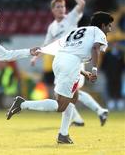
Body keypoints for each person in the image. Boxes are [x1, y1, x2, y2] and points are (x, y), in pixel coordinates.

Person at [7, 11, 114, 144]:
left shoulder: (78, 31)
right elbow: (95, 48)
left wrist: (83, 72)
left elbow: (72, 52)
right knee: (61, 105)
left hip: (59, 60)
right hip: (70, 63)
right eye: (109, 26)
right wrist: (94, 70)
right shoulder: (98, 32)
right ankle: (22, 104)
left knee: (72, 97)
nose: (110, 29)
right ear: (103, 25)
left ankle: (63, 134)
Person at [32, 0, 108, 127]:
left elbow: (82, 4)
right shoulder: (52, 27)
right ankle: (92, 114)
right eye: (58, 7)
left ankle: (81, 118)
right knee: (71, 92)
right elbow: (46, 44)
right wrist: (36, 57)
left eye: (63, 6)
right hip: (63, 59)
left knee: (66, 92)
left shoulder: (71, 18)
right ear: (52, 10)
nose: (61, 9)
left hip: (74, 59)